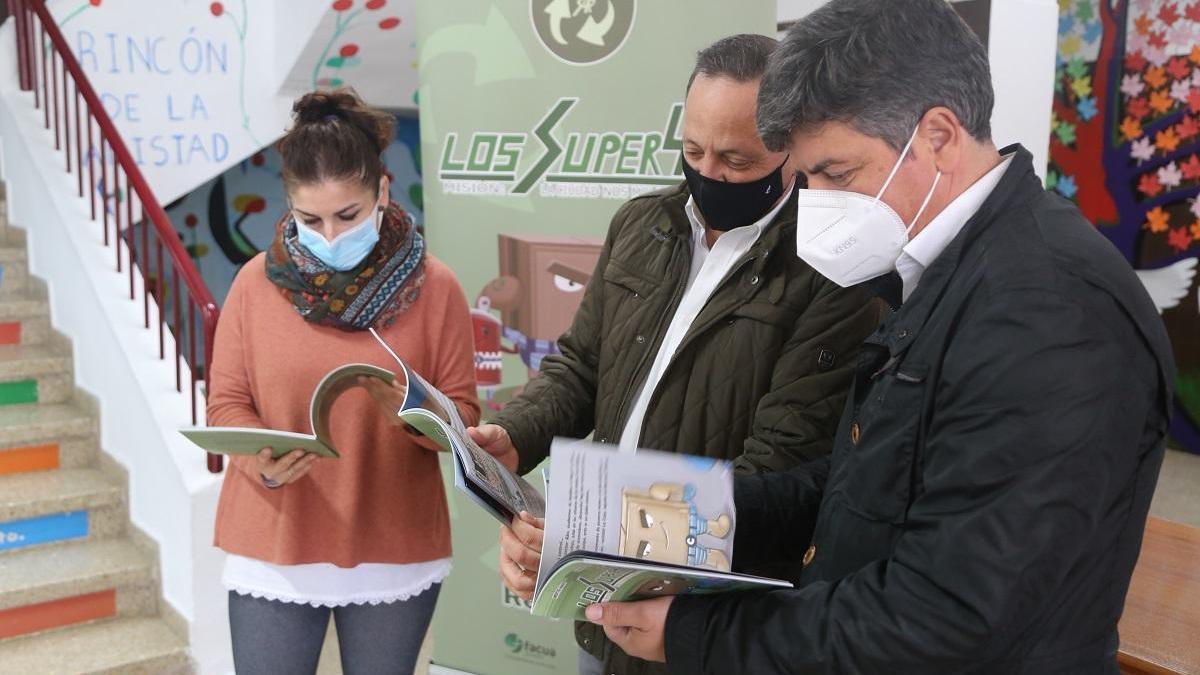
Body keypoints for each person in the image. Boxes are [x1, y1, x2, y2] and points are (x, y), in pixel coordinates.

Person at [580, 2, 1177, 673]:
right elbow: (861, 485)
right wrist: (650, 522)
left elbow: (945, 614)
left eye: (835, 174)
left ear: (939, 135)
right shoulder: (941, 272)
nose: (814, 203)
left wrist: (697, 632)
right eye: (803, 179)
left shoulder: (1054, 313)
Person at [477, 35, 881, 675]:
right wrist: (512, 434)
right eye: (693, 150)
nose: (709, 174)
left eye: (736, 159)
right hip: (603, 604)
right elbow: (581, 367)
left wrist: (598, 537)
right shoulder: (643, 224)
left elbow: (779, 468)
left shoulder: (833, 273)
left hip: (708, 619)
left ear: (792, 149)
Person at [207, 89, 479, 675]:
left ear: (382, 190)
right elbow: (227, 404)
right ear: (288, 204)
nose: (329, 234)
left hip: (395, 543)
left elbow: (465, 421)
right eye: (310, 219)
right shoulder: (254, 285)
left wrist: (410, 410)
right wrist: (261, 459)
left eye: (347, 215)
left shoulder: (437, 288)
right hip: (274, 541)